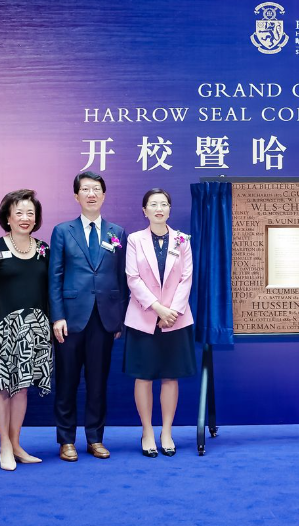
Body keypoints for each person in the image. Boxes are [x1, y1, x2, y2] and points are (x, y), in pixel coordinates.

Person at [49, 172, 128, 462]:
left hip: (104, 319)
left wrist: (117, 318)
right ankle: (66, 440)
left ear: (104, 195)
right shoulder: (62, 231)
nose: (91, 194)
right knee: (67, 381)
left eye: (96, 189)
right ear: (76, 196)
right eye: (85, 189)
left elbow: (121, 278)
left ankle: (95, 438)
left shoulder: (116, 233)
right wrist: (57, 316)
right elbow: (54, 276)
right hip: (70, 319)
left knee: (98, 381)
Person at [0, 190, 52, 471]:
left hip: (34, 330)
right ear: (7, 217)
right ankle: (4, 445)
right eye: (19, 212)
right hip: (1, 330)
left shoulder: (44, 249)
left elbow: (50, 290)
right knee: (1, 389)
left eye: (30, 213)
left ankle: (17, 443)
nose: (25, 218)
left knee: (21, 390)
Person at [123, 189, 196, 457]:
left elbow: (186, 278)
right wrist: (157, 309)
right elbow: (132, 278)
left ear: (169, 209)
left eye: (164, 204)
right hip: (144, 316)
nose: (159, 208)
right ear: (144, 210)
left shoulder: (182, 240)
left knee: (170, 375)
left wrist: (171, 312)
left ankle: (166, 431)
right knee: (143, 376)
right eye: (153, 204)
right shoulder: (134, 240)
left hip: (175, 319)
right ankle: (147, 431)